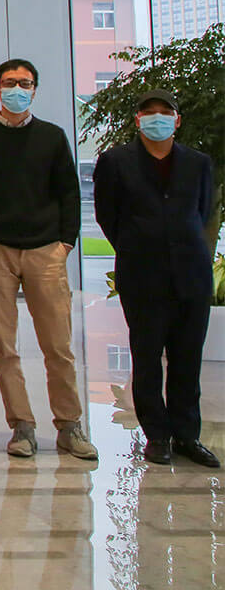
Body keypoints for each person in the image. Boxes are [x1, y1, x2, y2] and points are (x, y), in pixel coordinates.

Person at [0, 59, 98, 460]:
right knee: (3, 346)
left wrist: (65, 244)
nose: (17, 89)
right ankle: (21, 426)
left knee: (58, 345)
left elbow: (69, 192)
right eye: (10, 82)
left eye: (25, 83)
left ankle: (69, 425)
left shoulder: (52, 136)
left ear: (35, 89)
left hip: (45, 250)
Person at [94, 90, 219, 469]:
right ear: (138, 120)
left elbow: (202, 213)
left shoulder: (198, 163)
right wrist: (138, 245)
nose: (158, 118)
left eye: (166, 112)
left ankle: (187, 435)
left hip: (191, 275)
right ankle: (158, 436)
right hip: (142, 276)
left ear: (177, 120)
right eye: (149, 112)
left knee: (187, 358)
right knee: (147, 358)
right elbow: (107, 216)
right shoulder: (115, 162)